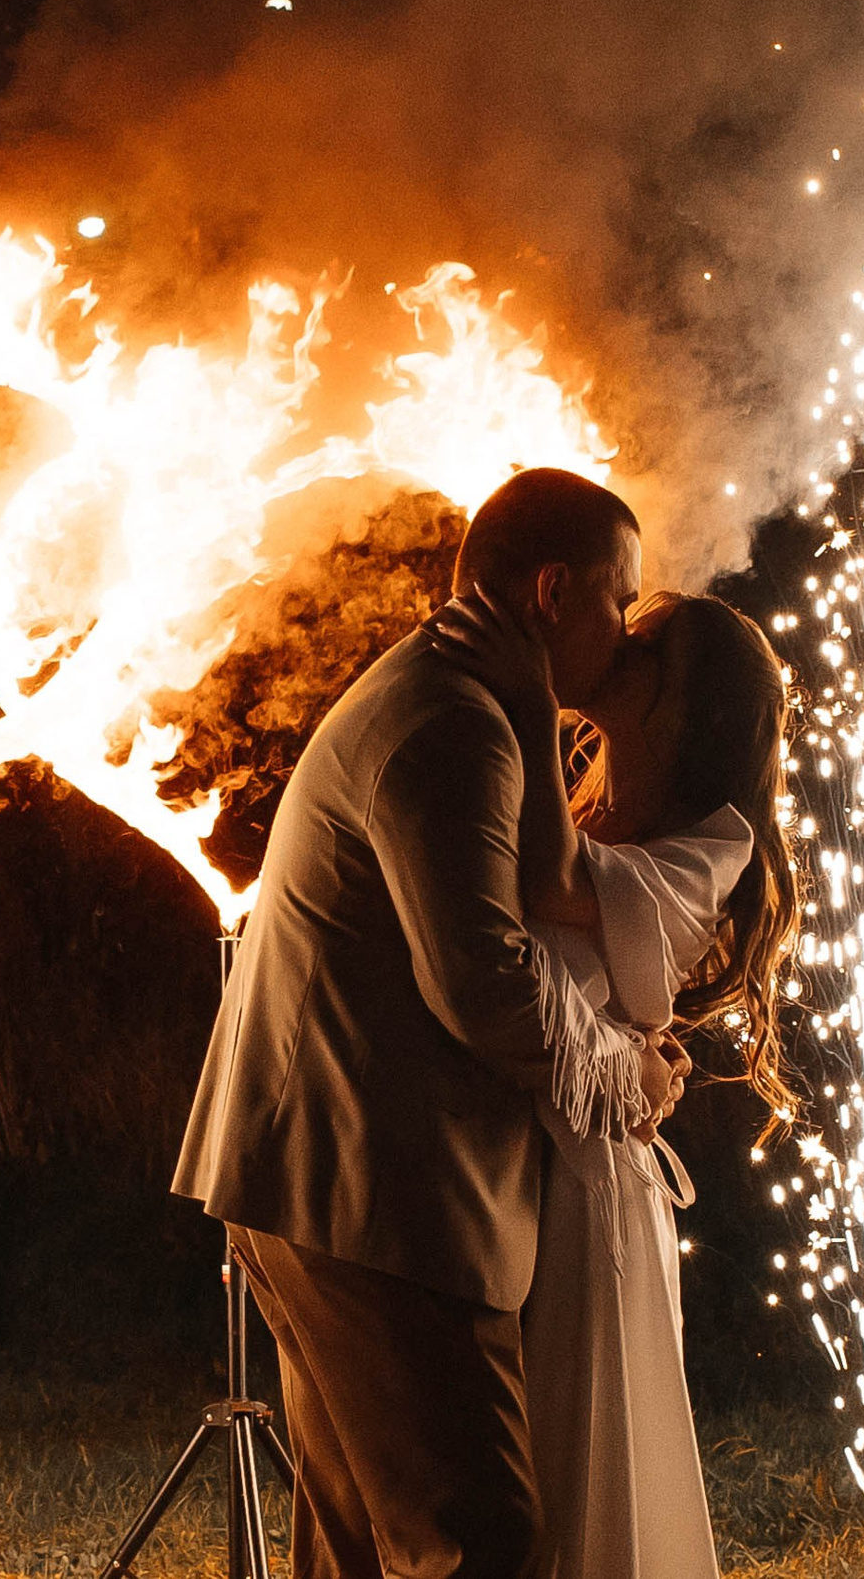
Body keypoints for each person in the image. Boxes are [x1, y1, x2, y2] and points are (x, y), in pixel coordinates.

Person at [173, 466, 690, 1579]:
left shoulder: (453, 699)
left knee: (363, 1548)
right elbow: (481, 983)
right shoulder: (453, 723)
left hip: (323, 1174)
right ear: (554, 590)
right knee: (476, 1540)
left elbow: (516, 907)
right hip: (373, 1189)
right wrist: (625, 1076)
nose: (627, 632)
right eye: (620, 598)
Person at [429, 584, 802, 1579]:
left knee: (569, 1469)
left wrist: (525, 697)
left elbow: (547, 887)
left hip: (588, 1197)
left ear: (687, 710)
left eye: (643, 654)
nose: (614, 653)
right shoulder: (585, 808)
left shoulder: (711, 848)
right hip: (519, 1167)